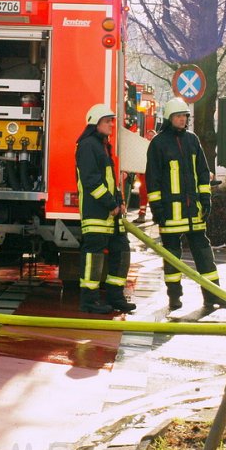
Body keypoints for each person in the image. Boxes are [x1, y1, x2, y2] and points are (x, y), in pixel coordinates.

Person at [145, 97, 226, 312]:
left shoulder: (192, 140)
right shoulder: (158, 143)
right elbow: (152, 179)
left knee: (204, 255)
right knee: (172, 258)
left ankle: (213, 296)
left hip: (194, 213)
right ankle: (174, 297)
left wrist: (205, 200)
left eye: (185, 116)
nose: (183, 120)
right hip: (170, 214)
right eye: (179, 116)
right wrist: (157, 209)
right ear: (169, 118)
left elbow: (202, 172)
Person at [75, 104, 136, 314]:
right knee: (94, 255)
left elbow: (110, 180)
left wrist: (118, 201)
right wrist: (111, 204)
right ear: (96, 123)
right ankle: (89, 301)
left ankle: (115, 296)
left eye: (111, 120)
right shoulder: (87, 146)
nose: (111, 124)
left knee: (122, 249)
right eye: (107, 121)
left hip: (111, 214)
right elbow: (91, 181)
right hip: (96, 213)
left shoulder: (102, 145)